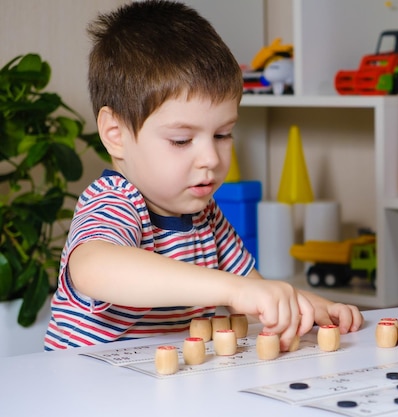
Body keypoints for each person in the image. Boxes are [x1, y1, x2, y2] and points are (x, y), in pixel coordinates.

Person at [44, 0, 362, 352]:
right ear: (115, 134)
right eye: (182, 140)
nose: (210, 158)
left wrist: (309, 306)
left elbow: (252, 287)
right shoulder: (115, 200)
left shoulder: (204, 214)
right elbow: (94, 268)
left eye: (223, 134)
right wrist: (232, 289)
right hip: (90, 391)